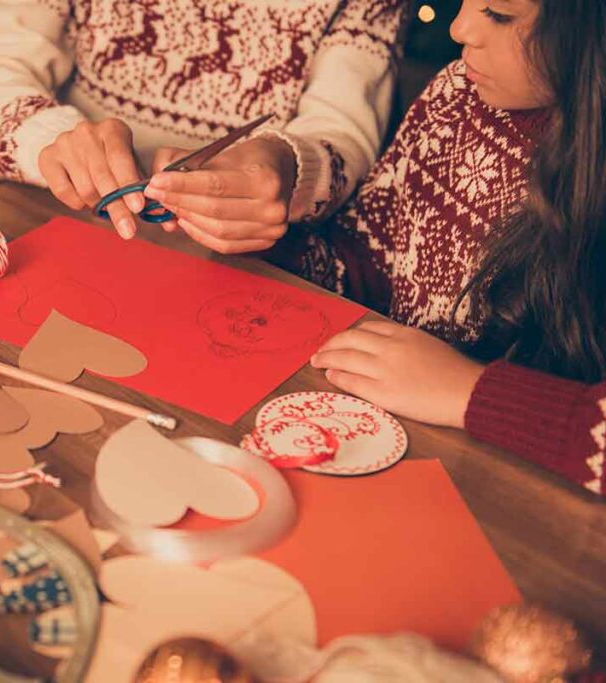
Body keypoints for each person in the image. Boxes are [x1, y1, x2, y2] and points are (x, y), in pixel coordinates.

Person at [157, 0, 605, 495]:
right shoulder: (460, 93)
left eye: (499, 15)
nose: (459, 29)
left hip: (526, 500)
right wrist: (256, 229)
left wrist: (471, 392)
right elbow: (364, 263)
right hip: (384, 446)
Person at [0, 0, 407, 245]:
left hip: (246, 261)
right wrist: (52, 141)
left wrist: (289, 167)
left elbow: (345, 136)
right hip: (57, 222)